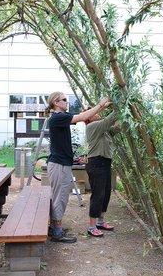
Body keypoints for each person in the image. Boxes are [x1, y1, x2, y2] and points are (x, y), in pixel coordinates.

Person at [45, 91, 112, 243]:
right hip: (59, 165)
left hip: (62, 164)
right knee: (60, 197)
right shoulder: (57, 118)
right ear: (56, 102)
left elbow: (85, 115)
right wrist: (101, 104)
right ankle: (57, 231)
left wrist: (102, 107)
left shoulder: (61, 117)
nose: (66, 102)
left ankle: (56, 226)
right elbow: (83, 117)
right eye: (63, 99)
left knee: (60, 196)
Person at [85, 108, 120, 237]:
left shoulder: (105, 131)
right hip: (96, 163)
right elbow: (108, 120)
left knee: (105, 194)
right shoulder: (92, 126)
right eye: (95, 113)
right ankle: (91, 226)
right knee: (98, 195)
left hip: (105, 163)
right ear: (89, 117)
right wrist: (117, 105)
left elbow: (117, 127)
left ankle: (100, 221)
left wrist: (122, 112)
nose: (98, 113)